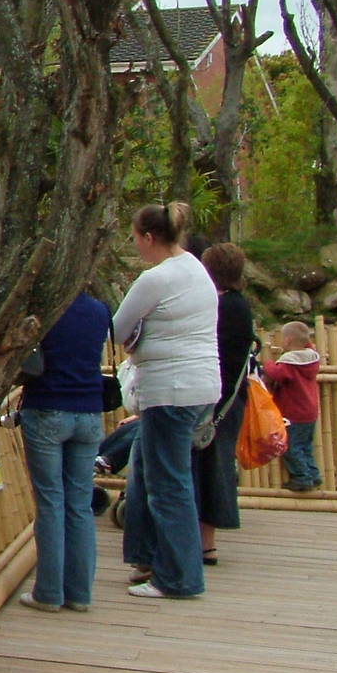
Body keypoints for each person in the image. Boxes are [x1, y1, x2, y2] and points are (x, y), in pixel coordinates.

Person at [114, 202, 220, 600]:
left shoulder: (155, 279)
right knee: (150, 471)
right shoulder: (195, 268)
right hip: (202, 386)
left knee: (168, 484)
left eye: (135, 237)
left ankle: (178, 577)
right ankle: (150, 557)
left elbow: (118, 327)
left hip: (169, 390)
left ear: (148, 237)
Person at [16, 289, 111, 613]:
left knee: (50, 501)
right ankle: (80, 592)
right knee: (80, 503)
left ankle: (49, 591)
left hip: (47, 406)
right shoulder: (100, 311)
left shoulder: (44, 308)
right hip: (88, 410)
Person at [195, 243, 253, 566]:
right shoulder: (238, 305)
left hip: (219, 400)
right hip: (229, 397)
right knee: (214, 466)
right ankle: (205, 541)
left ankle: (206, 542)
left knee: (211, 467)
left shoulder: (224, 308)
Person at [264, 321, 322, 492]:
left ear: (288, 341)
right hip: (309, 412)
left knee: (291, 447)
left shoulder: (290, 363)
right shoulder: (311, 358)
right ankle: (313, 474)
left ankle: (302, 477)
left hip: (293, 413)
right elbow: (307, 344)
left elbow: (276, 374)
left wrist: (268, 363)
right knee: (306, 445)